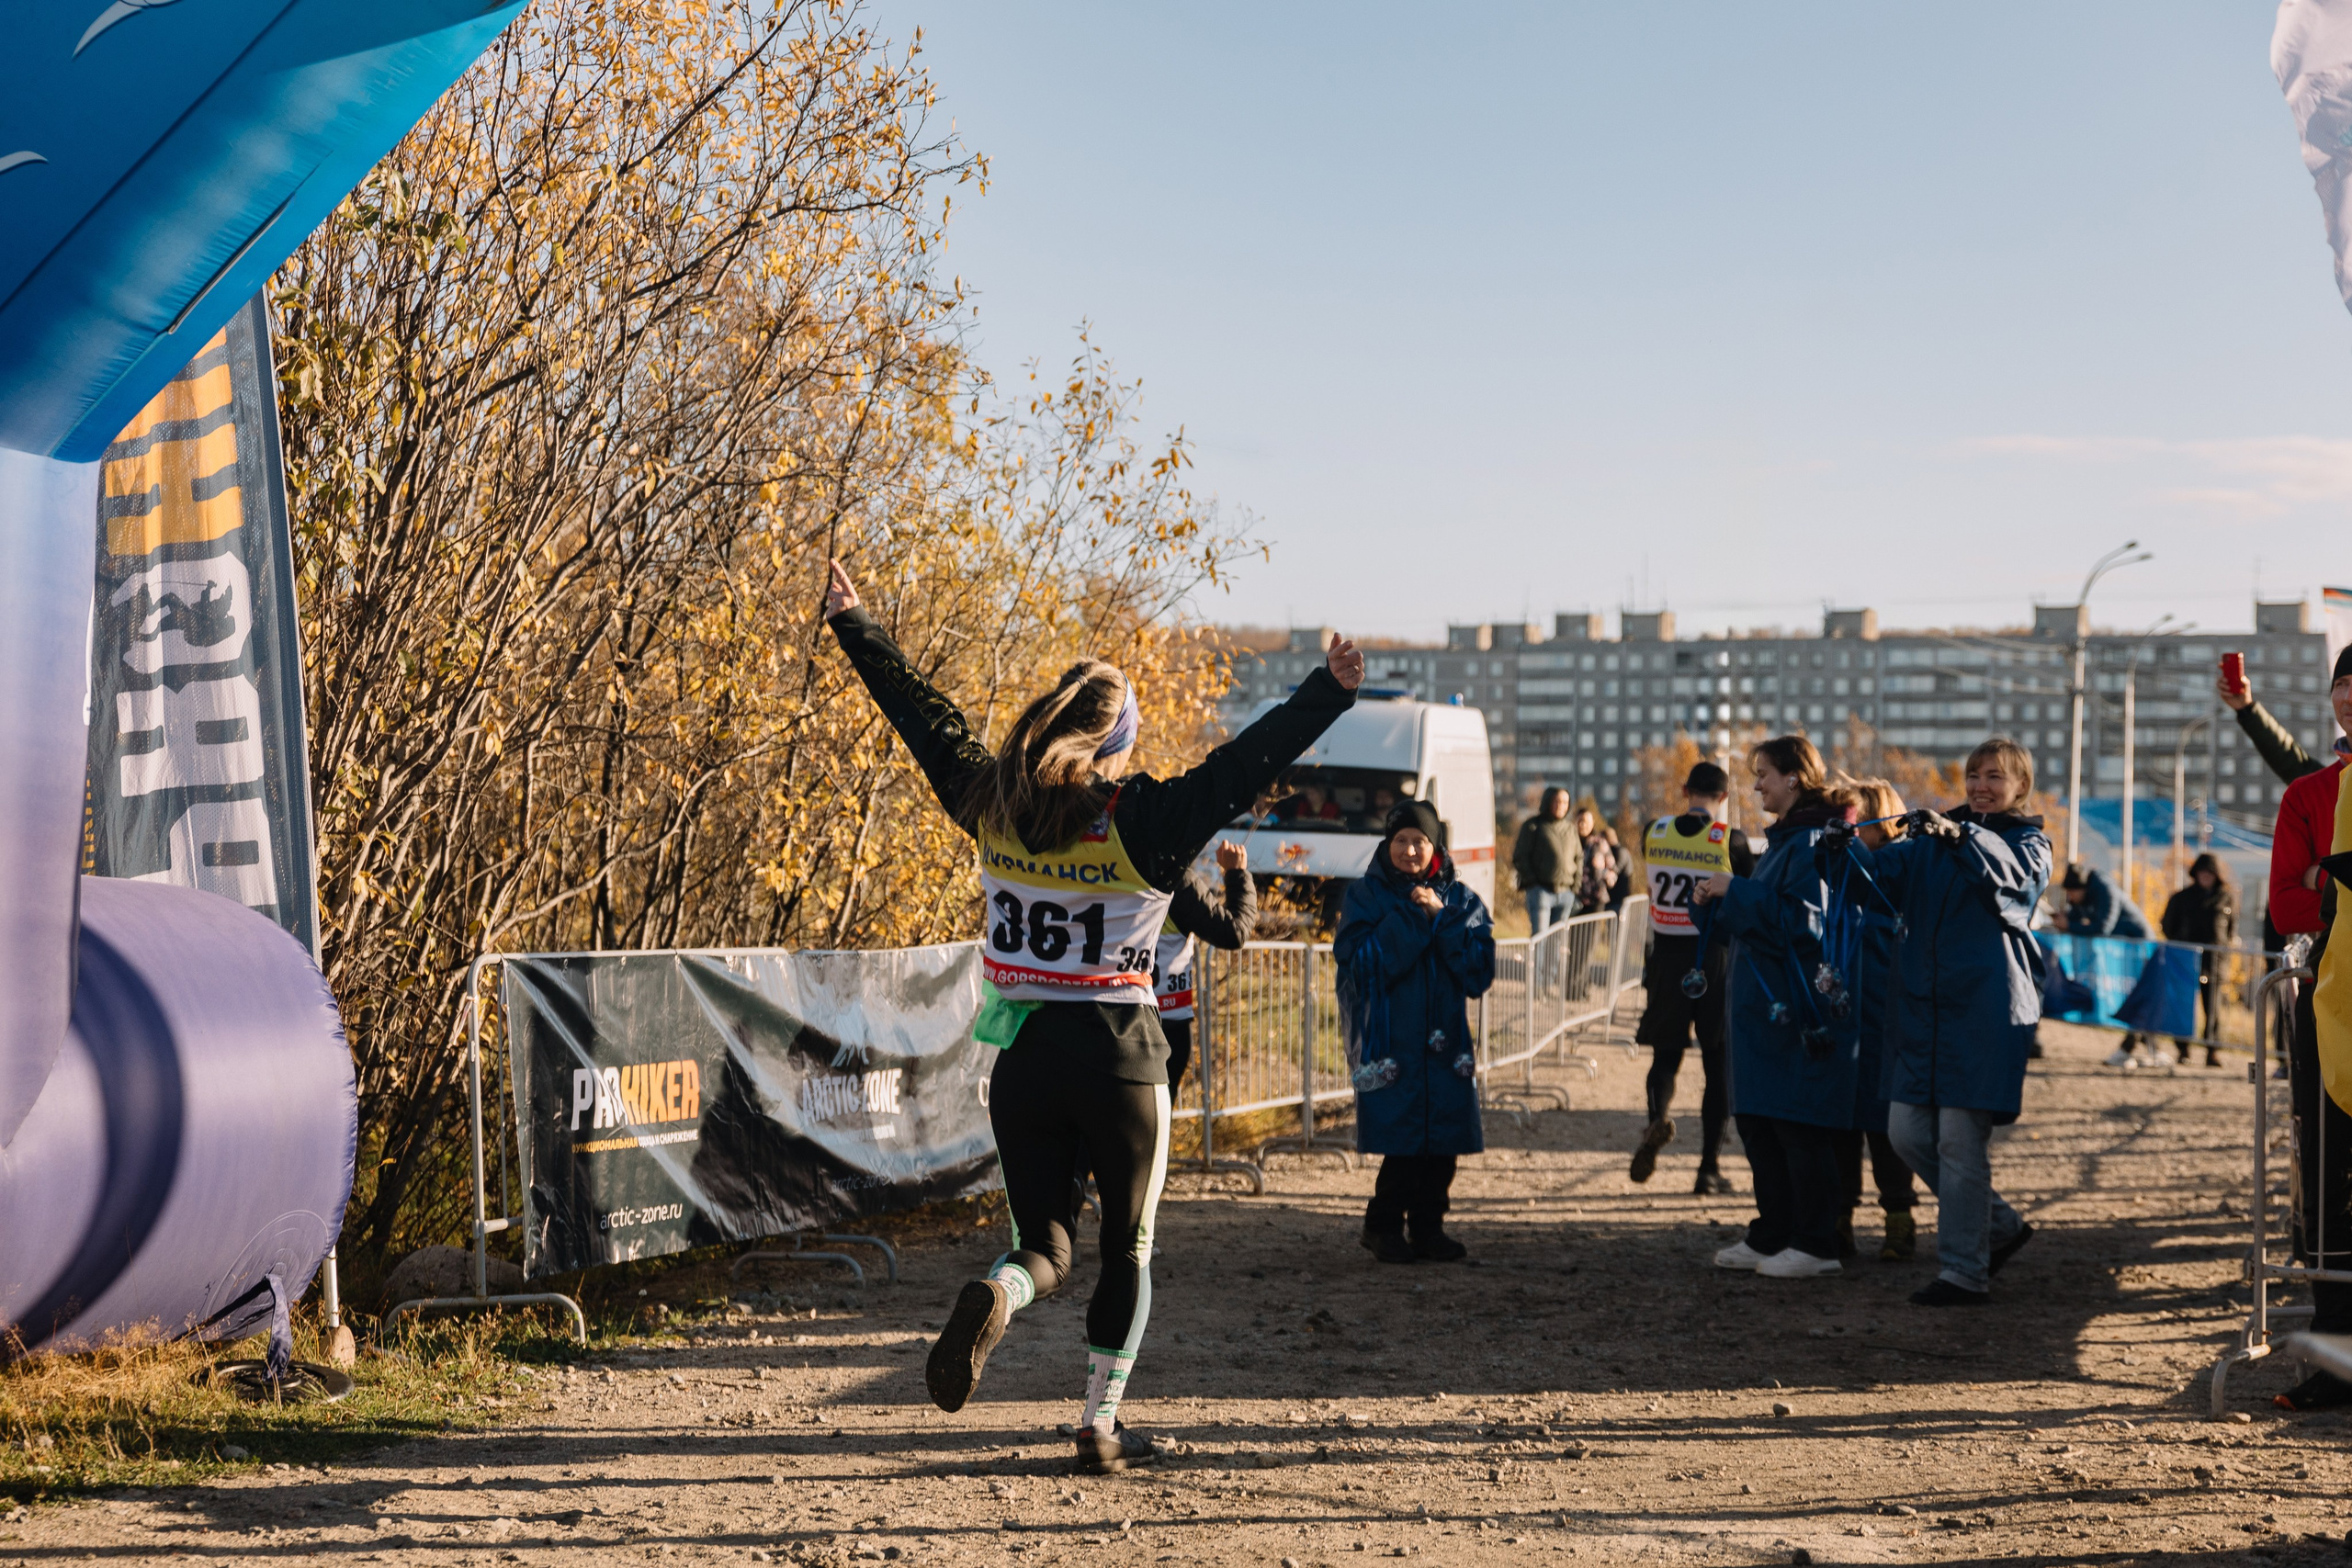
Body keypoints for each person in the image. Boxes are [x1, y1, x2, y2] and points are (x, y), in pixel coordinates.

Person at [821, 558, 1363, 1471]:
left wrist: (857, 626)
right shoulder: (1143, 819)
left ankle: (999, 1293)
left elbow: (927, 723)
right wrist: (1326, 693)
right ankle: (1097, 1425)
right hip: (1119, 1058)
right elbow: (1243, 766)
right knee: (1127, 1249)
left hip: (1024, 1056)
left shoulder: (989, 800)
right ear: (1119, 740)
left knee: (1042, 1247)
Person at [1819, 737, 2052, 1307]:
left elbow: (2015, 885)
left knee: (1957, 1141)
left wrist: (1963, 834)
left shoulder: (2029, 841)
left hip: (1984, 1014)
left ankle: (1965, 1272)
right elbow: (1873, 881)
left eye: (1995, 776)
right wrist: (1836, 850)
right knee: (1905, 1134)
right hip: (1922, 1014)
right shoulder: (1932, 840)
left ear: (2020, 786)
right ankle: (1996, 1225)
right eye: (1974, 775)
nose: (1980, 785)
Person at [1691, 735, 1860, 1280]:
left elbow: (1806, 920)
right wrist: (1714, 903)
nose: (1756, 783)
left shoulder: (1815, 841)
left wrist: (1733, 892)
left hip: (1795, 1014)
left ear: (1794, 777)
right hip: (1766, 1013)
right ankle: (1773, 1232)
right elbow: (1763, 918)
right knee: (1762, 1124)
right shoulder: (1786, 842)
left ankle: (1815, 1241)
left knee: (1797, 1126)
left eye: (1764, 772)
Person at [1335, 800, 1496, 1265]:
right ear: (1387, 845)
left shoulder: (1461, 900)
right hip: (1393, 1042)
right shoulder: (1366, 897)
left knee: (1443, 1143)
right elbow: (1361, 964)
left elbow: (1479, 970)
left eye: (1419, 841)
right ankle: (1382, 1226)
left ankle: (1430, 1228)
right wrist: (1413, 917)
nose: (1409, 850)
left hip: (1445, 1043)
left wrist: (1442, 918)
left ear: (1435, 847)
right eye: (1400, 840)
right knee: (1404, 1144)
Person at [2265, 645, 2352, 1408]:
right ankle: (2332, 1359)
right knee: (2326, 1181)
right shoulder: (2309, 794)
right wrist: (2335, 894)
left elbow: (2307, 888)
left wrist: (2325, 881)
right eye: (2343, 684)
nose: (2351, 696)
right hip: (2330, 1001)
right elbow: (2282, 905)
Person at [1628, 761, 1754, 1193]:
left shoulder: (1654, 832)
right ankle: (1708, 1168)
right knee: (1717, 1063)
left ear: (1685, 790)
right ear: (1723, 798)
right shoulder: (1729, 840)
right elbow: (1749, 891)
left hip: (1666, 956)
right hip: (1713, 958)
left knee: (1665, 1056)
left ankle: (1656, 1120)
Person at [1827, 779, 1921, 1261]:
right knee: (1843, 1128)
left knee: (1886, 1130)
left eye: (1852, 819)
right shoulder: (1849, 869)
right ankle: (1840, 1219)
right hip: (1851, 1019)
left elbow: (1871, 876)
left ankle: (1899, 1220)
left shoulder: (1899, 862)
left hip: (1885, 1019)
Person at [1150, 840, 1258, 1096]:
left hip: (1097, 1012)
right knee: (1157, 1126)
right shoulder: (1172, 874)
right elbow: (1234, 932)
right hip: (1166, 1023)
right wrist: (1237, 873)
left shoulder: (1094, 865)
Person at [2060, 863, 2158, 1068]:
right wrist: (2067, 920)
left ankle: (2131, 1049)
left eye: (2071, 893)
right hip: (2122, 951)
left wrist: (2069, 926)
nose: (2070, 898)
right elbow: (2079, 919)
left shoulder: (2106, 890)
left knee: (2139, 998)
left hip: (2139, 947)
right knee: (2139, 1000)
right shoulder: (2084, 896)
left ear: (2082, 888)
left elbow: (2102, 928)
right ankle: (2151, 1049)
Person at [2158, 853, 2236, 1068]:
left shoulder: (2225, 898)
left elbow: (2230, 930)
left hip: (2215, 962)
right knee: (2183, 1007)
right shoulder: (2181, 898)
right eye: (2202, 872)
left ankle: (2212, 1052)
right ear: (2195, 874)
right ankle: (2183, 1050)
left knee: (2213, 1010)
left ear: (2216, 875)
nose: (2205, 876)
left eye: (2210, 872)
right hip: (2185, 961)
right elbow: (2167, 925)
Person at [1511, 786, 1581, 939]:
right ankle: (1538, 964)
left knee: (1557, 940)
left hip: (1566, 893)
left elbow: (1579, 857)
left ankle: (1553, 965)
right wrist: (1533, 882)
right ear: (1548, 802)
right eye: (1557, 801)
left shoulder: (1570, 829)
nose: (1561, 806)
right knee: (1540, 938)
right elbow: (1520, 856)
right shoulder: (1533, 826)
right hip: (1541, 892)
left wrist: (1575, 886)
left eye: (1565, 802)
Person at [1573, 807, 1615, 915]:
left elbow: (1612, 868)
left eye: (1586, 822)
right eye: (1580, 821)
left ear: (1592, 823)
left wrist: (1604, 879)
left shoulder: (1600, 843)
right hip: (1575, 899)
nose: (1583, 825)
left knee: (1592, 931)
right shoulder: (1571, 843)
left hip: (1596, 897)